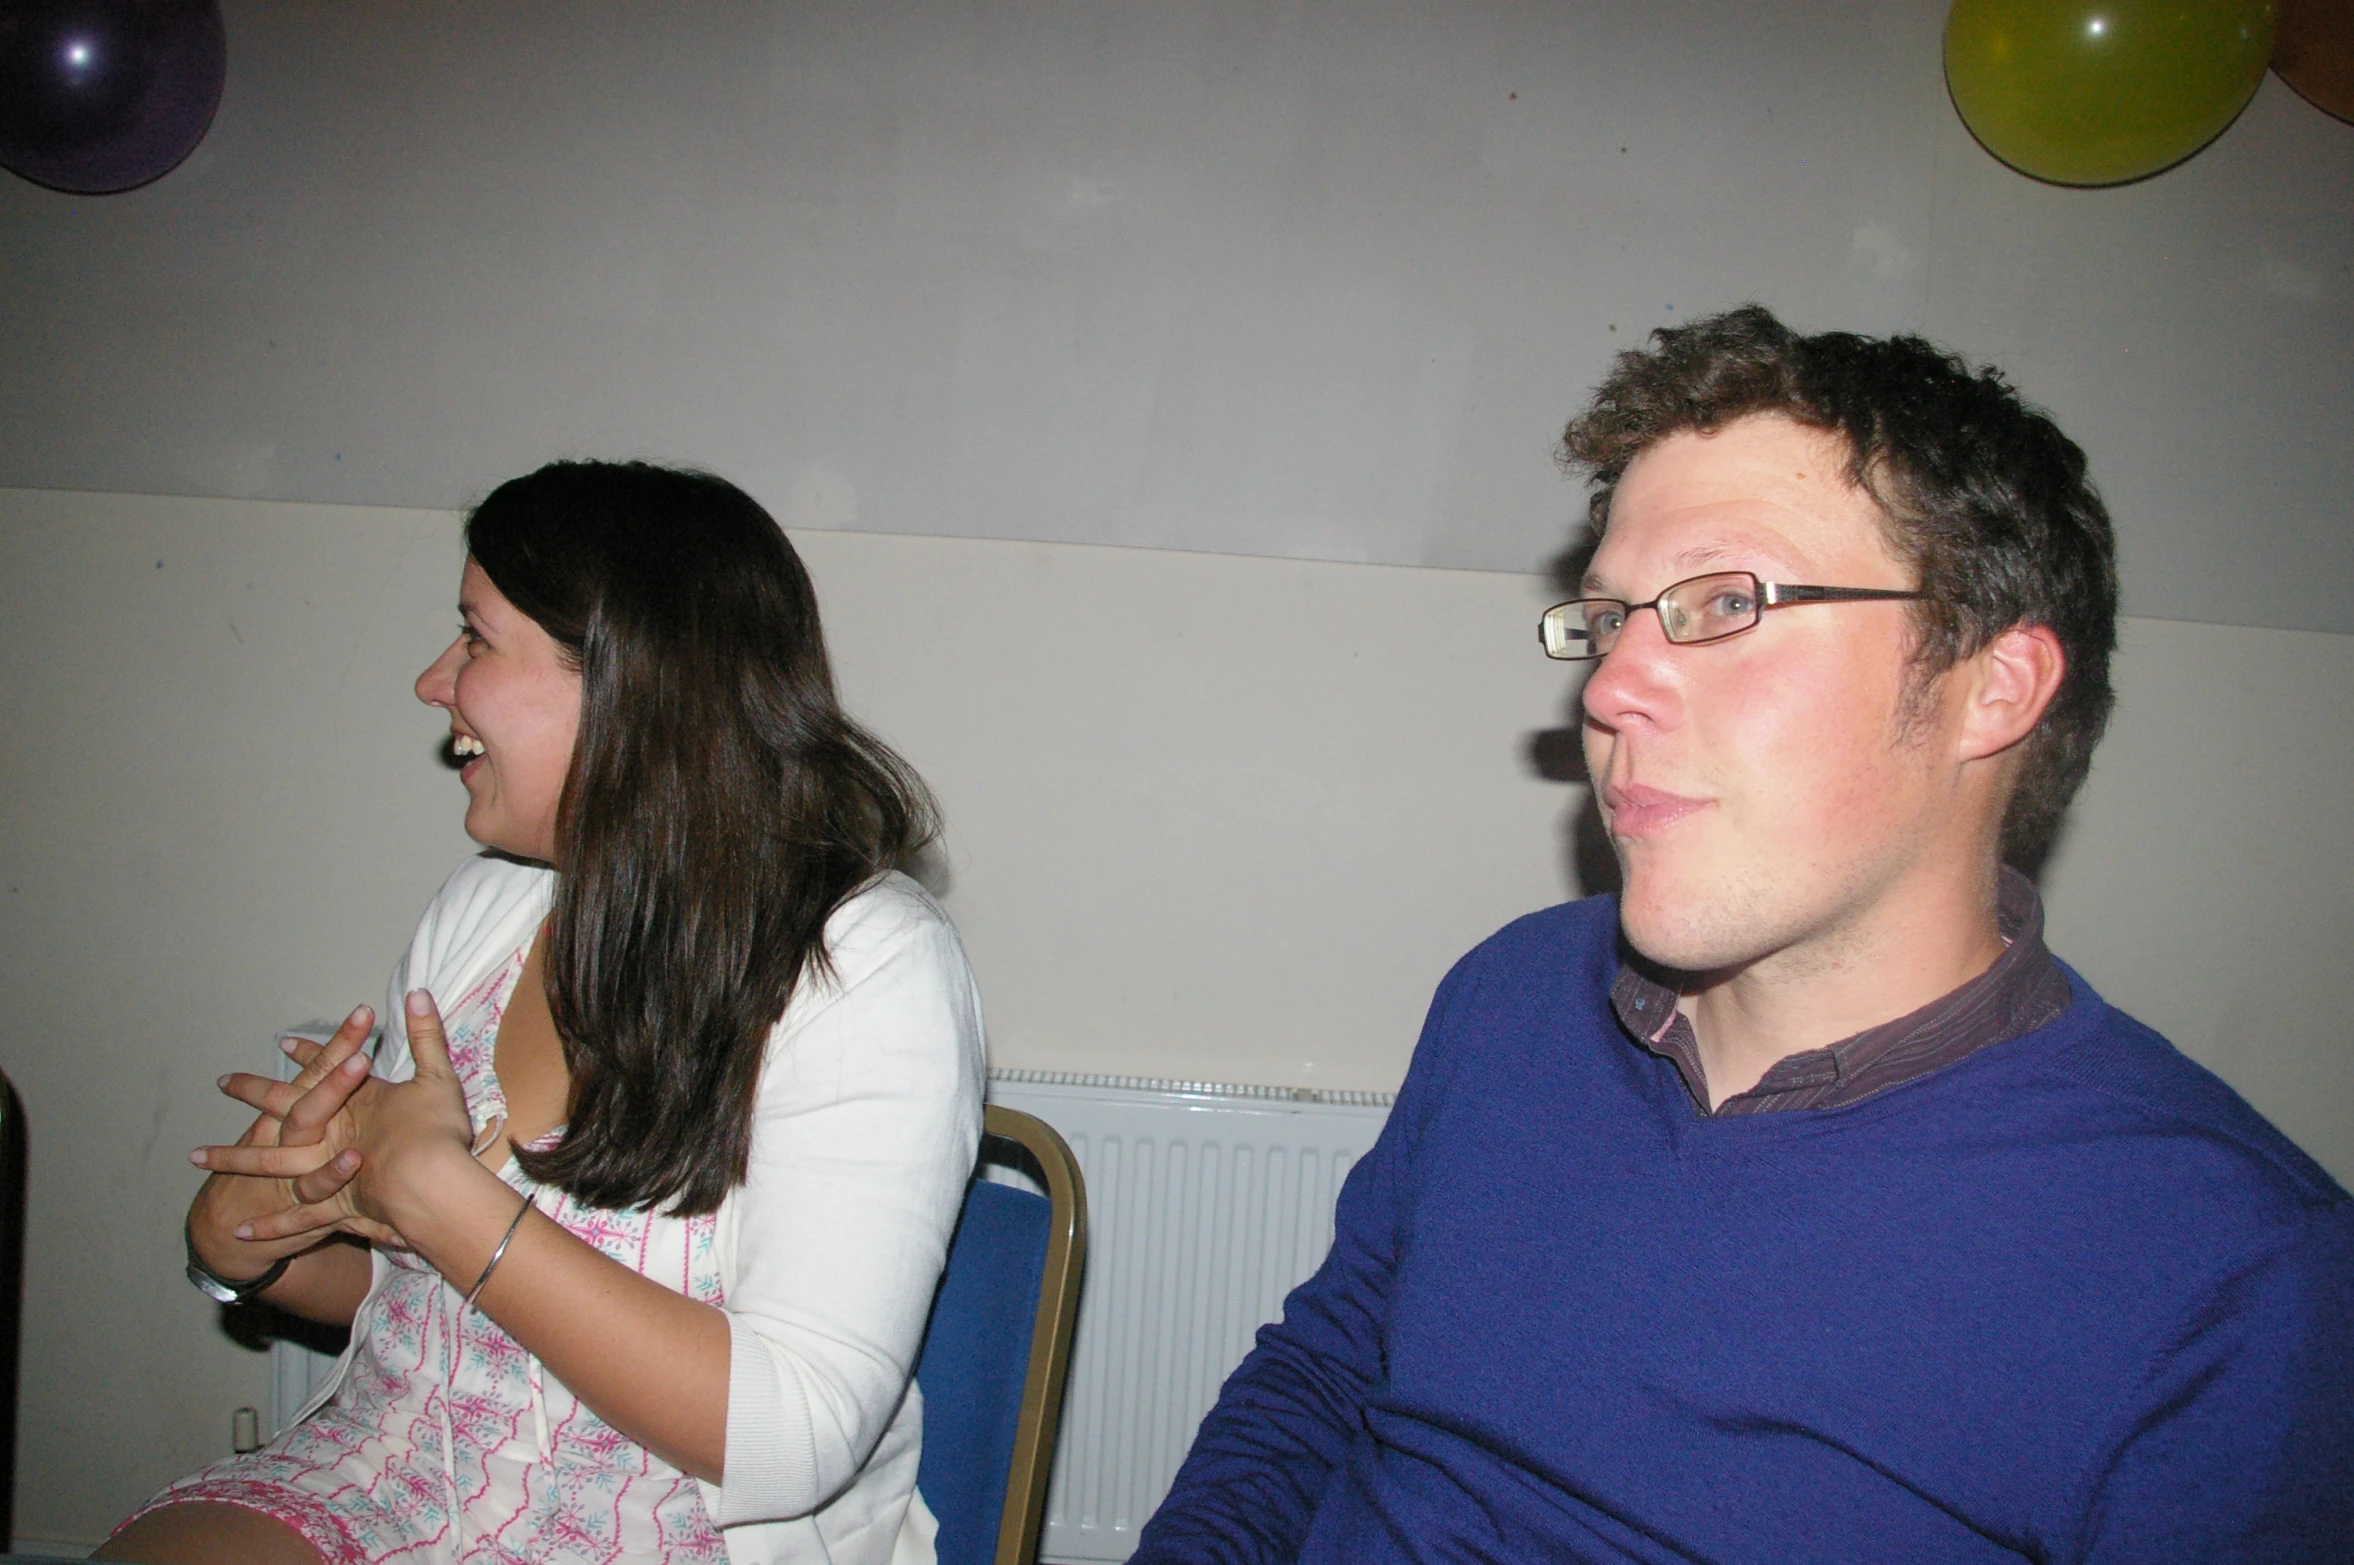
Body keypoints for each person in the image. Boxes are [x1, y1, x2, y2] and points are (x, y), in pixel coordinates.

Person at [1131, 306, 2354, 1563]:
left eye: (1724, 601)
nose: (1604, 688)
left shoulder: (2239, 1277)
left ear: (1991, 686)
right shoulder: (1513, 994)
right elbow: (1326, 1374)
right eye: (1607, 619)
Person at [101, 462, 985, 1565]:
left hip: (670, 1529)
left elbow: (793, 1433)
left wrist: (434, 1190)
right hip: (385, 1475)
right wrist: (247, 1245)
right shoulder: (485, 911)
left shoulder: (864, 967)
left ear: (629, 682)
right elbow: (423, 1307)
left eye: (474, 638)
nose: (434, 683)